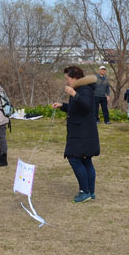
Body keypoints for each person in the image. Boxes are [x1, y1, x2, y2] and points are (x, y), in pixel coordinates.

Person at [52, 65, 100, 203]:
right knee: (85, 160)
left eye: (67, 79)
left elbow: (87, 106)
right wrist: (63, 106)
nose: (66, 81)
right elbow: (77, 109)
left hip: (83, 134)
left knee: (74, 158)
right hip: (82, 132)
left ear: (74, 78)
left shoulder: (85, 90)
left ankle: (85, 191)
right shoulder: (80, 89)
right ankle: (90, 192)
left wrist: (74, 94)